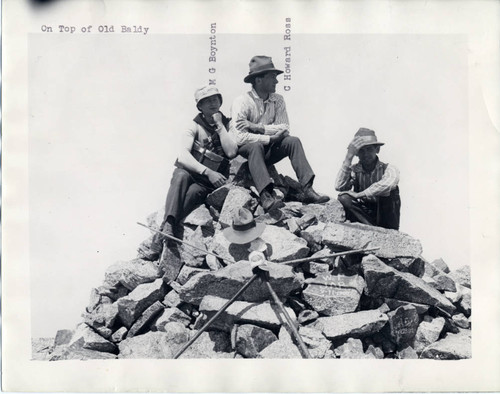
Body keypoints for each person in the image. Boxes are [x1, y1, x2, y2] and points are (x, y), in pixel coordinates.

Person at [140, 85, 238, 261]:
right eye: (206, 101)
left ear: (221, 101)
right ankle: (169, 225)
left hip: (207, 184)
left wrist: (220, 126)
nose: (212, 103)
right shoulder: (193, 126)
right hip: (195, 173)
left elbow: (231, 152)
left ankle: (163, 231)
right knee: (180, 174)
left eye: (215, 99)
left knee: (192, 194)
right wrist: (207, 171)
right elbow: (183, 155)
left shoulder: (229, 124)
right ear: (199, 106)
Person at [230, 55, 329, 212]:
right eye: (272, 77)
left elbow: (285, 128)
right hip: (249, 150)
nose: (276, 81)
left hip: (266, 148)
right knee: (255, 146)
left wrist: (257, 128)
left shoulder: (278, 100)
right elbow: (239, 137)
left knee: (293, 141)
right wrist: (270, 138)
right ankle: (266, 196)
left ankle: (308, 189)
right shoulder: (241, 102)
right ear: (258, 80)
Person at [335, 127, 401, 230]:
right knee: (344, 198)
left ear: (377, 149)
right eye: (361, 150)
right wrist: (348, 157)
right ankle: (372, 229)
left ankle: (387, 231)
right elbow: (339, 186)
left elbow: (389, 184)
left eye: (369, 149)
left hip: (386, 215)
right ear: (356, 153)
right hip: (364, 215)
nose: (365, 154)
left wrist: (359, 194)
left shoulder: (389, 168)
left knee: (389, 192)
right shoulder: (354, 170)